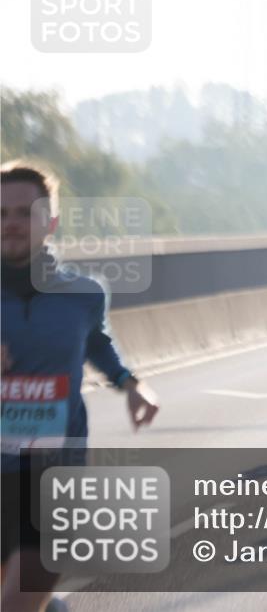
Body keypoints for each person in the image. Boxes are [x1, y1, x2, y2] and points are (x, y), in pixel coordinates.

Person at [1, 162, 160, 612]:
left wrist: (130, 383)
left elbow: (95, 341)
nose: (10, 223)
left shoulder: (83, 293)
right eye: (0, 213)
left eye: (23, 213)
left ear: (49, 222)